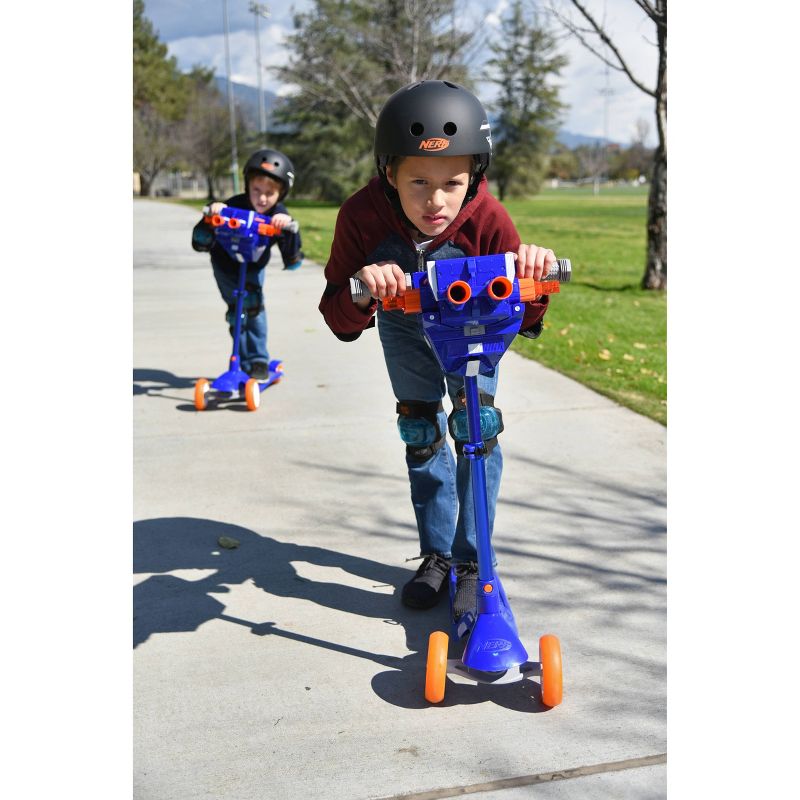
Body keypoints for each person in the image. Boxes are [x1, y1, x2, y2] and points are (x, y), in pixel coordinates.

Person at [318, 80, 557, 616]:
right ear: (389, 173)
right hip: (403, 327)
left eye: (452, 182)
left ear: (474, 175)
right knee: (420, 429)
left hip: (475, 324)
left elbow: (525, 315)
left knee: (477, 428)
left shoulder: (488, 219)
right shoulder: (360, 217)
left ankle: (475, 562)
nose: (436, 200)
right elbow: (338, 316)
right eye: (418, 181)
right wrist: (361, 287)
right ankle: (437, 554)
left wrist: (531, 277)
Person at [192, 148, 303, 381]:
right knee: (237, 313)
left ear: (281, 194)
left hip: (253, 268)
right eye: (257, 190)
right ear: (247, 186)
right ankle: (241, 361)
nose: (262, 198)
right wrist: (213, 214)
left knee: (253, 308)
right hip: (225, 267)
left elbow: (292, 259)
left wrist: (288, 228)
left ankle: (258, 360)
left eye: (270, 193)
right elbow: (200, 240)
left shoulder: (278, 216)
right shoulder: (234, 205)